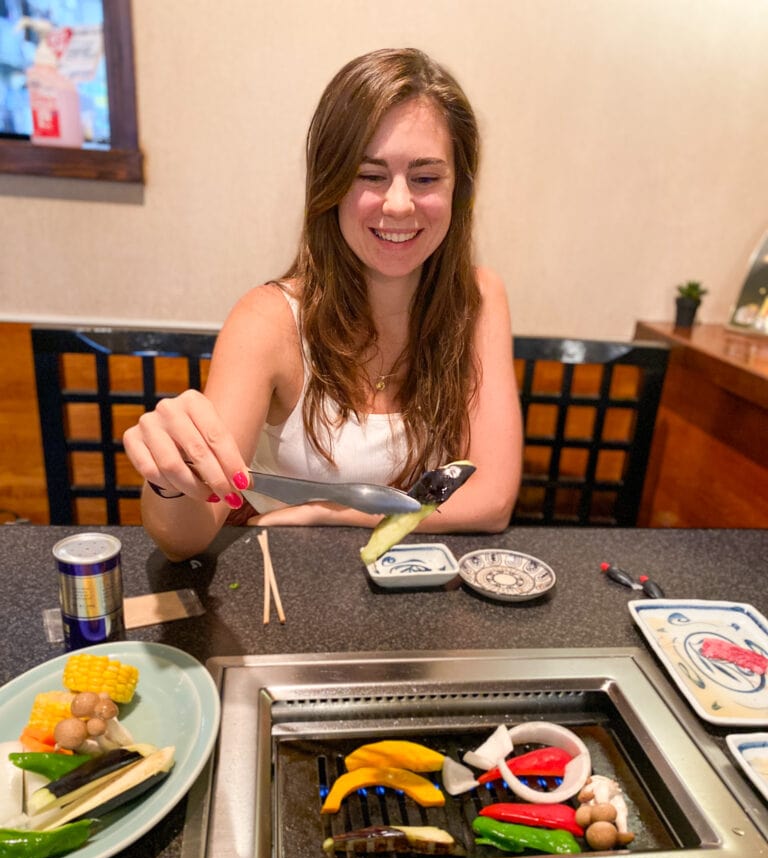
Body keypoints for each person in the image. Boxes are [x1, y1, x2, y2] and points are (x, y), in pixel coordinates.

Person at [123, 48, 522, 562]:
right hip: (288, 589)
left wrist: (331, 513)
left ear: (457, 190)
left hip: (420, 594)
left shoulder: (480, 298)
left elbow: (491, 501)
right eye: (369, 175)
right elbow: (187, 537)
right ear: (329, 185)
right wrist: (171, 481)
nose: (398, 203)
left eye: (425, 178)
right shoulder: (267, 319)